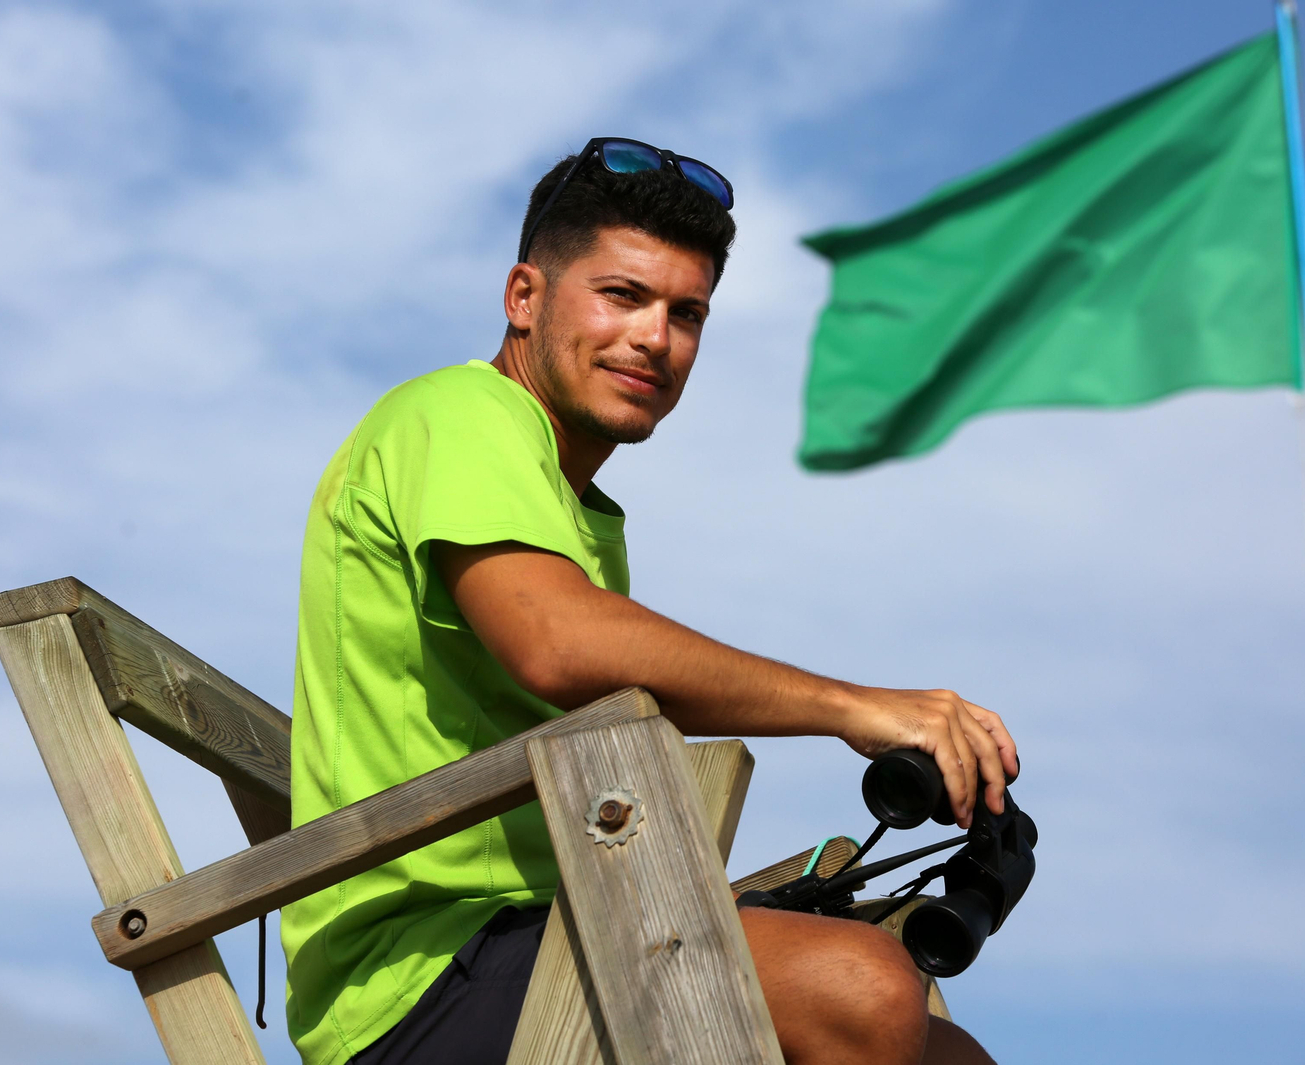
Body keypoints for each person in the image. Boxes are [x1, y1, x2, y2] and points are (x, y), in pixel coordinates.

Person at [282, 137, 1018, 1065]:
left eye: (687, 312)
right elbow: (556, 641)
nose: (654, 337)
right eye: (622, 295)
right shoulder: (455, 415)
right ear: (524, 297)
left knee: (948, 1051)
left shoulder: (577, 512)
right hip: (416, 979)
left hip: (553, 931)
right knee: (860, 988)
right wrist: (854, 707)